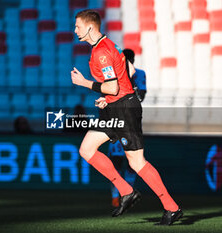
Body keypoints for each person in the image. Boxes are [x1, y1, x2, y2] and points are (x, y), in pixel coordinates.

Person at [70, 9, 182, 225]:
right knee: (86, 149)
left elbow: (112, 87)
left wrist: (86, 83)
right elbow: (128, 73)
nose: (75, 30)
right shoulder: (107, 45)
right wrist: (109, 97)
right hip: (115, 107)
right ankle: (126, 191)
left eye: (78, 26)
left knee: (137, 162)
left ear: (90, 27)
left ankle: (172, 207)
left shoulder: (101, 52)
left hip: (124, 111)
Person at [109, 49, 147, 208]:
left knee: (134, 163)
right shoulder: (114, 74)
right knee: (116, 162)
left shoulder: (139, 74)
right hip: (117, 121)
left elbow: (142, 95)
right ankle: (115, 197)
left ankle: (128, 193)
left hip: (132, 122)